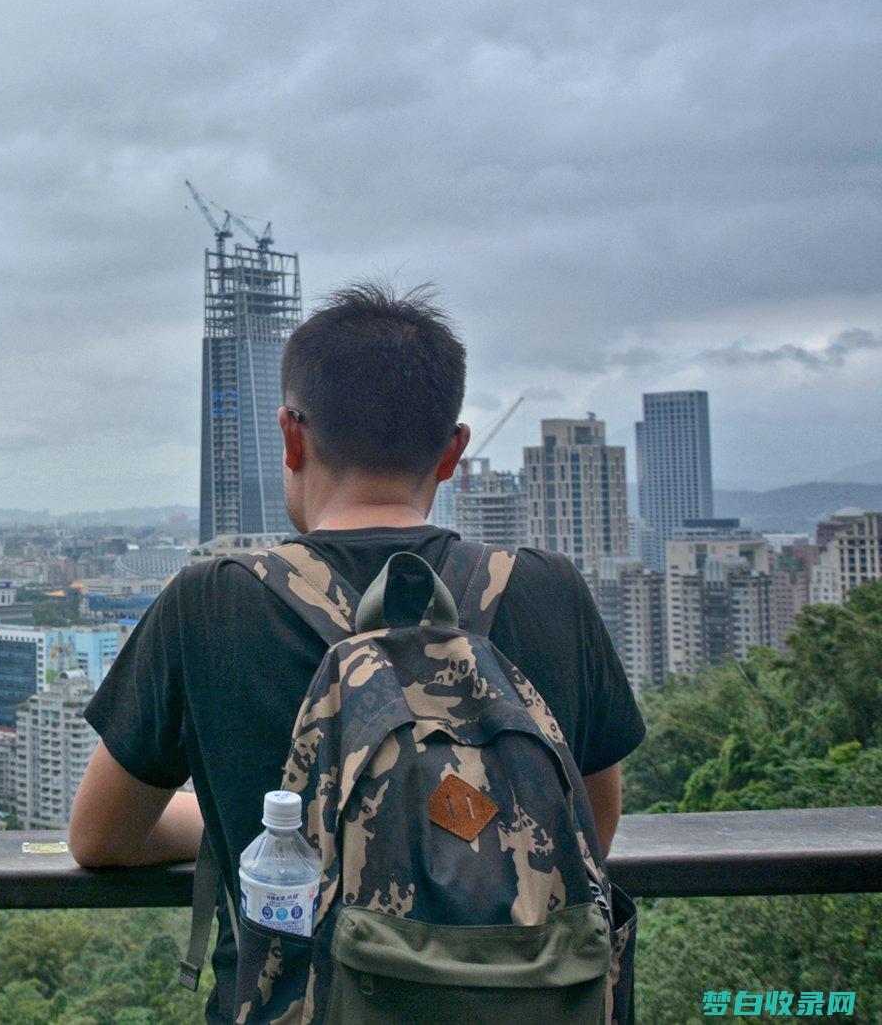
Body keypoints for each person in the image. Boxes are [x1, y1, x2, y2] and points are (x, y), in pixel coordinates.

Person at [68, 281, 645, 1021]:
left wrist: (240, 821)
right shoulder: (550, 590)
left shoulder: (213, 600)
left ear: (290, 434)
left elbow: (101, 836)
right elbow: (590, 824)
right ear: (453, 451)